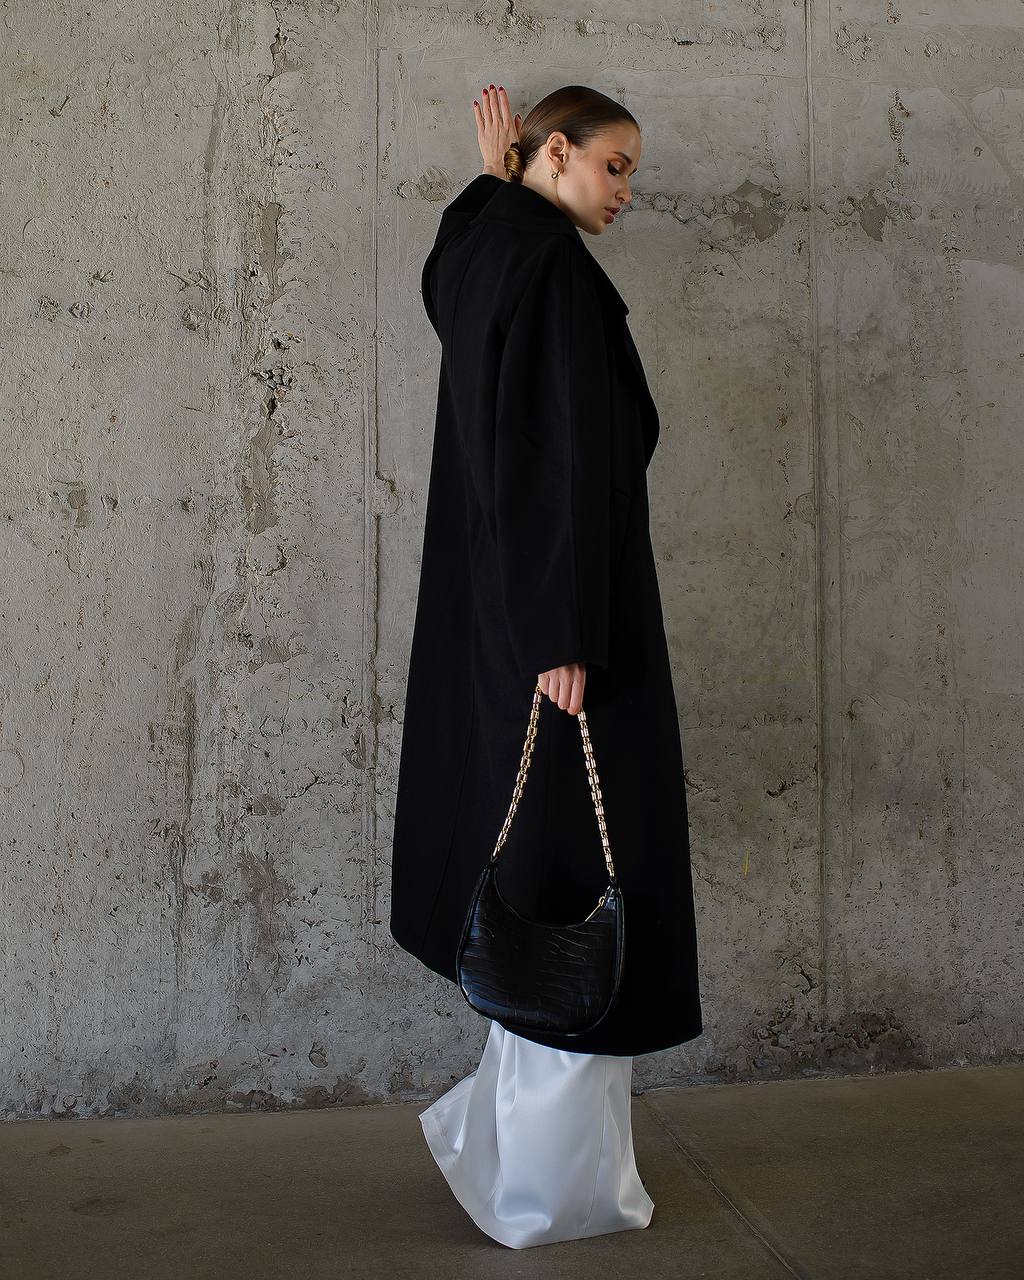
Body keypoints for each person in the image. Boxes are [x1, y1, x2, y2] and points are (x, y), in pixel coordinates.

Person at [389, 83, 703, 1248]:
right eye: (612, 166)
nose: (625, 192)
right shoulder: (555, 274)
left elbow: (444, 282)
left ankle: (517, 1156)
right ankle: (553, 1186)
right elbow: (558, 460)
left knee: (544, 871)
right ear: (556, 150)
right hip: (571, 628)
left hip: (509, 621)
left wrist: (491, 182)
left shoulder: (491, 251)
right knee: (581, 877)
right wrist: (563, 631)